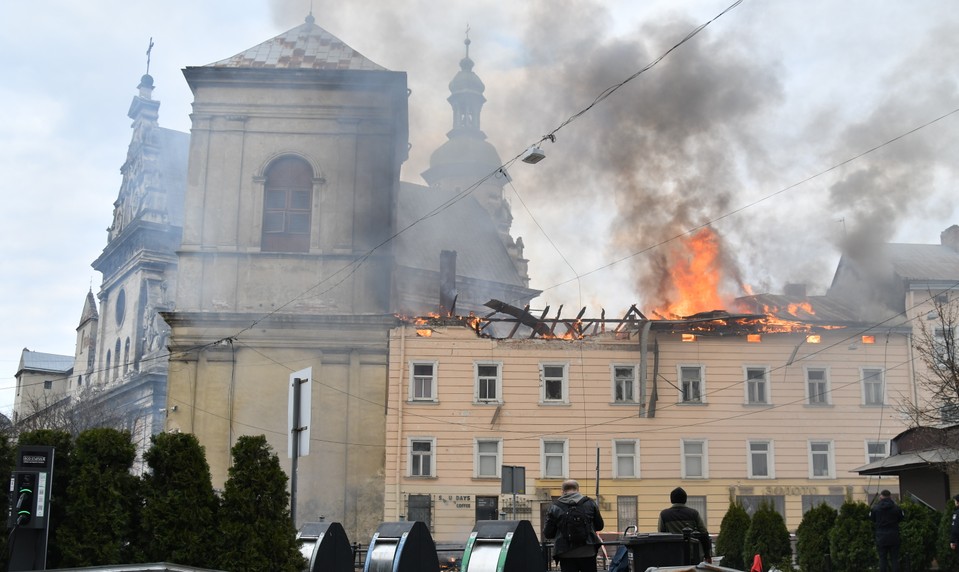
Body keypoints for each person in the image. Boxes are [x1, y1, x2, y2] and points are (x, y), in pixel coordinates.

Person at [544, 479, 605, 572]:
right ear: (578, 489)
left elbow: (548, 533)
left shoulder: (554, 507)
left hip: (565, 552)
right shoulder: (590, 503)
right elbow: (599, 526)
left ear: (562, 491)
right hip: (588, 550)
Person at [658, 487, 711, 563]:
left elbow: (661, 535)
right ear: (685, 499)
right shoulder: (694, 513)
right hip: (693, 555)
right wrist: (707, 555)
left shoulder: (664, 514)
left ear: (671, 499)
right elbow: (704, 533)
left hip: (673, 555)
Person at [869, 489, 904, 572]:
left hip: (881, 537)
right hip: (894, 536)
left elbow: (872, 519)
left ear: (881, 497)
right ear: (890, 497)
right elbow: (901, 518)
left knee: (882, 559)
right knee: (894, 559)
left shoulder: (875, 508)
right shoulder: (896, 508)